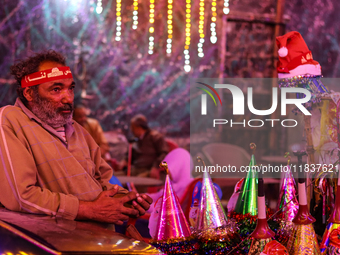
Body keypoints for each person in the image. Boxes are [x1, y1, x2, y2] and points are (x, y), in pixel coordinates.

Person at [0, 50, 152, 225]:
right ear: (29, 94)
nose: (68, 98)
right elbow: (21, 197)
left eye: (70, 88)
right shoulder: (10, 120)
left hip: (101, 239)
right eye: (56, 89)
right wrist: (90, 210)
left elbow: (104, 179)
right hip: (54, 243)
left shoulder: (77, 129)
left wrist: (126, 201)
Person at [128, 114, 169, 178]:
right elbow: (131, 154)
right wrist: (125, 160)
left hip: (149, 169)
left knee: (137, 181)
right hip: (136, 168)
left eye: (133, 128)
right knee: (114, 178)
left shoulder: (155, 137)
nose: (131, 130)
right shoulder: (136, 139)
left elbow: (164, 153)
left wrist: (156, 166)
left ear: (139, 127)